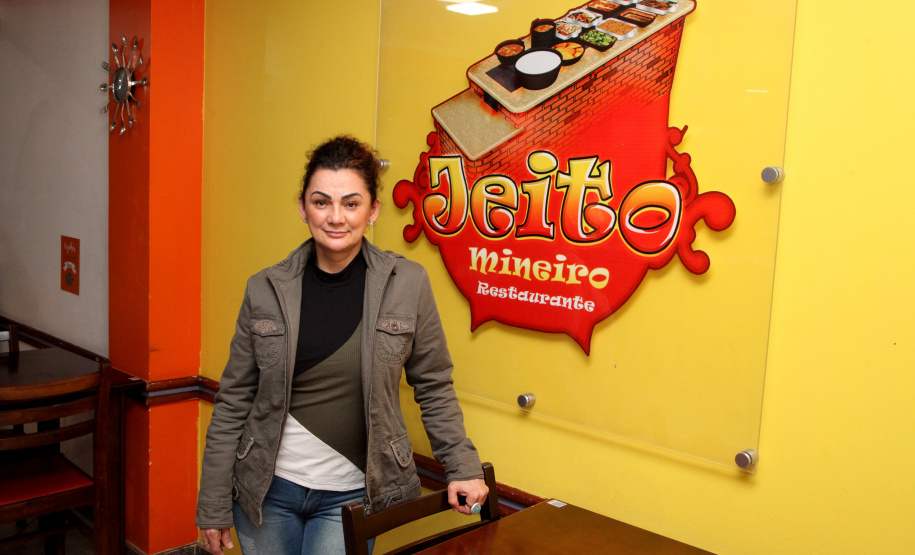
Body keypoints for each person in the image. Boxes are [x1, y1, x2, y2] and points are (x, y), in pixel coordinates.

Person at [196, 136, 488, 555]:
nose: (336, 217)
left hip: (351, 496)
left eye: (351, 204)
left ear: (373, 211)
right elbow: (234, 400)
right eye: (321, 202)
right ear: (302, 208)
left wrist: (461, 465)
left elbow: (434, 385)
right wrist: (212, 504)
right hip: (266, 492)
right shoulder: (265, 288)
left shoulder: (407, 284)